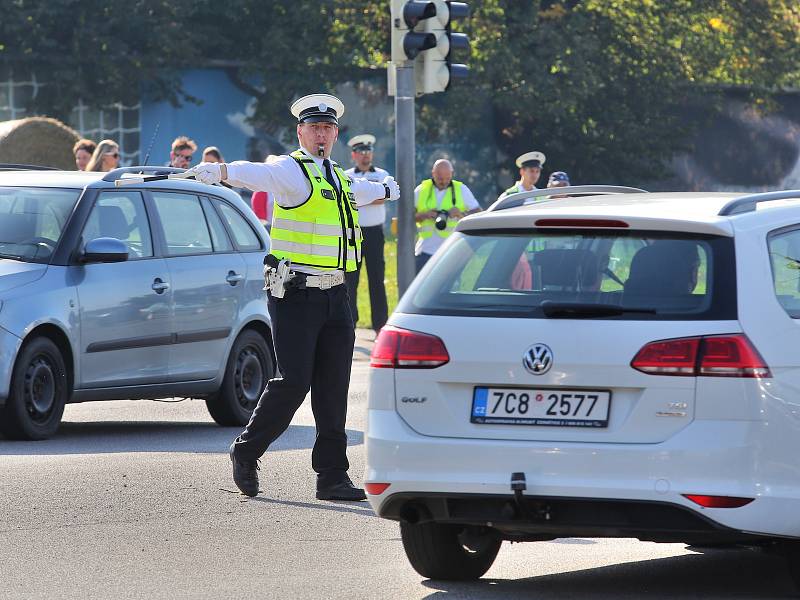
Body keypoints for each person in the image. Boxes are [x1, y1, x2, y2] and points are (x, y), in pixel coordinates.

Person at [188, 94, 400, 502]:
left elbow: (365, 189)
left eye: (327, 129)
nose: (321, 135)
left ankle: (332, 476)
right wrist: (220, 171)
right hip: (296, 294)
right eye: (314, 128)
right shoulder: (290, 170)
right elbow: (256, 174)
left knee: (334, 387)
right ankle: (246, 450)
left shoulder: (338, 176)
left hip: (337, 294)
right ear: (300, 132)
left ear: (336, 134)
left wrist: (388, 188)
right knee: (294, 381)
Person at [344, 134, 390, 333]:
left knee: (377, 280)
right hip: (353, 233)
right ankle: (349, 322)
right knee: (350, 280)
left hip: (375, 233)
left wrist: (360, 197)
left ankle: (380, 325)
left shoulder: (381, 174)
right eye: (361, 153)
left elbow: (383, 197)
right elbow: (346, 198)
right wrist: (371, 195)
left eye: (368, 152)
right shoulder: (346, 175)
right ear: (354, 155)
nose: (366, 157)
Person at [414, 158, 481, 272]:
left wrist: (461, 214)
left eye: (447, 178)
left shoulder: (461, 189)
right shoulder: (421, 190)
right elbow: (406, 217)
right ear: (433, 173)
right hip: (425, 251)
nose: (444, 181)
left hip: (452, 251)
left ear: (452, 174)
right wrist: (425, 215)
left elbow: (479, 213)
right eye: (440, 178)